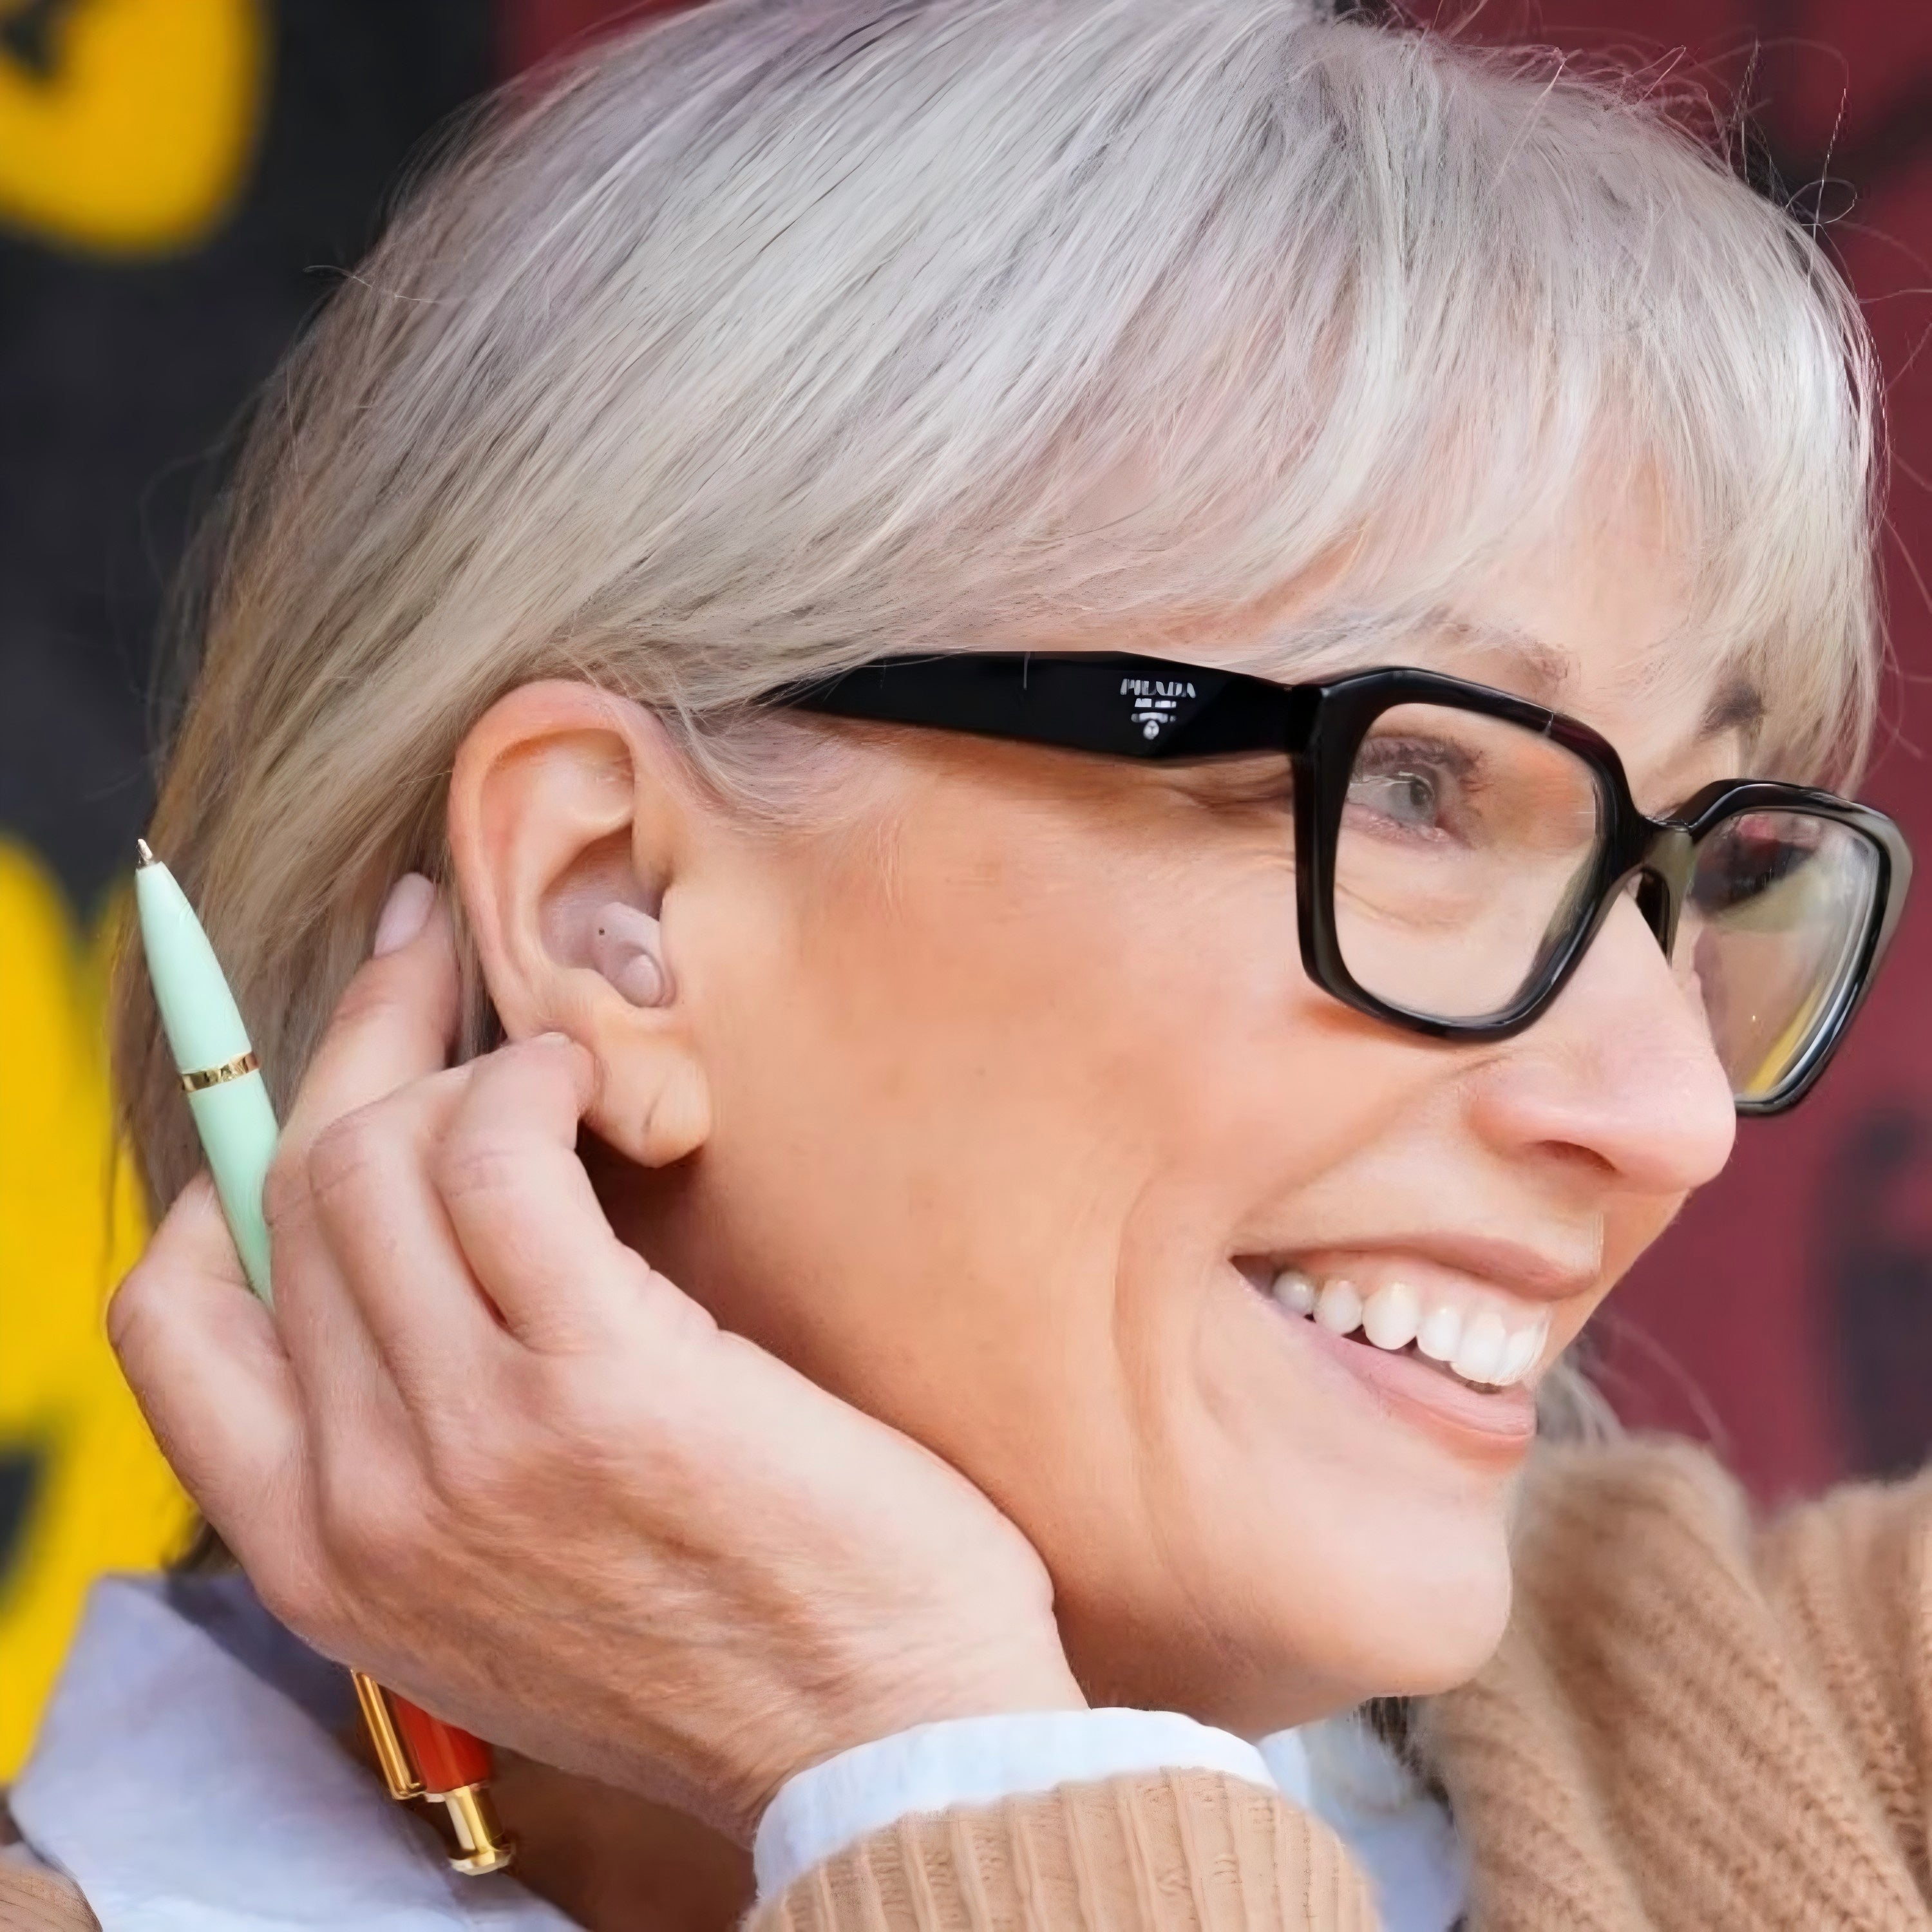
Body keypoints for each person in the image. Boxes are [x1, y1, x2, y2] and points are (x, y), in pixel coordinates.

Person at [3, 0, 1922, 1926]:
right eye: (1415, 790)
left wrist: (907, 1735)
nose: (1671, 1115)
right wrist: (922, 1753)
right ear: (616, 903)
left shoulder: (1867, 1714)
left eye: (1681, 873)